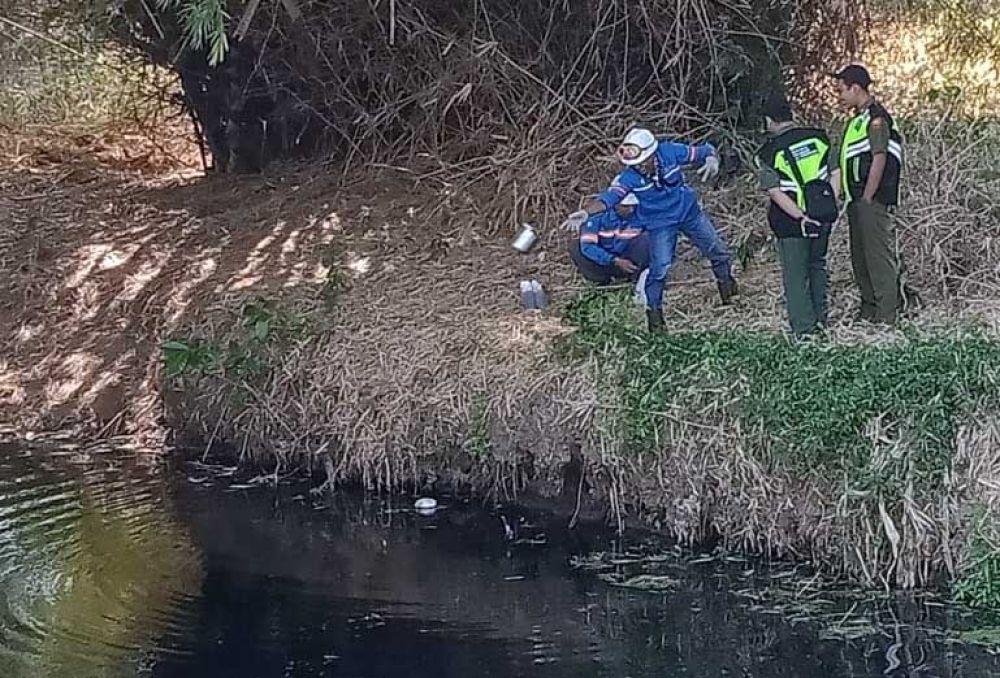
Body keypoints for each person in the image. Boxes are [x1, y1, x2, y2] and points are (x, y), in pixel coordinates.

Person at [564, 127, 738, 333]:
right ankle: (655, 318)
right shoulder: (629, 177)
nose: (638, 167)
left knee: (717, 250)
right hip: (660, 224)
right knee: (659, 270)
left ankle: (729, 293)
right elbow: (610, 198)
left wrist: (711, 159)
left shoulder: (670, 152)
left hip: (689, 213)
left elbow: (703, 150)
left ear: (652, 154)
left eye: (641, 162)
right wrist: (586, 213)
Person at [755, 92, 837, 336]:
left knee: (795, 276)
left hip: (791, 223)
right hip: (823, 215)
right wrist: (827, 205)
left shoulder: (768, 152)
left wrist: (801, 216)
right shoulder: (818, 137)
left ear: (769, 120)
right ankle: (822, 323)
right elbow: (836, 172)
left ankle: (804, 331)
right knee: (817, 266)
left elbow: (775, 192)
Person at [830, 64, 905, 325]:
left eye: (841, 90)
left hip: (870, 200)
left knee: (876, 257)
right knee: (860, 258)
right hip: (855, 200)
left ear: (856, 87)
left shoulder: (877, 118)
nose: (839, 96)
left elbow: (879, 157)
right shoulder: (855, 121)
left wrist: (869, 196)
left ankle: (886, 315)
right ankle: (868, 309)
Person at [569, 193, 649, 284]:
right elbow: (588, 246)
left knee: (647, 239)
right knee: (576, 247)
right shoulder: (597, 217)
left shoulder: (641, 213)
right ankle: (600, 280)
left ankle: (636, 276)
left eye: (633, 206)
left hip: (629, 258)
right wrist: (615, 260)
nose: (631, 210)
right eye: (626, 206)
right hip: (604, 260)